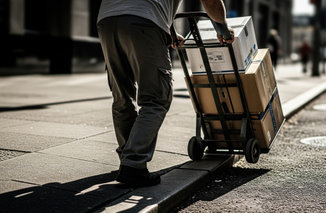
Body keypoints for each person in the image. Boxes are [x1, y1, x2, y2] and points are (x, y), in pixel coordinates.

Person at [97, 0, 234, 187]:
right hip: (144, 22)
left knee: (122, 96)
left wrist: (170, 32)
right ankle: (133, 164)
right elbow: (211, 1)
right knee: (156, 99)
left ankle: (127, 158)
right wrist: (223, 30)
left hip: (107, 20)